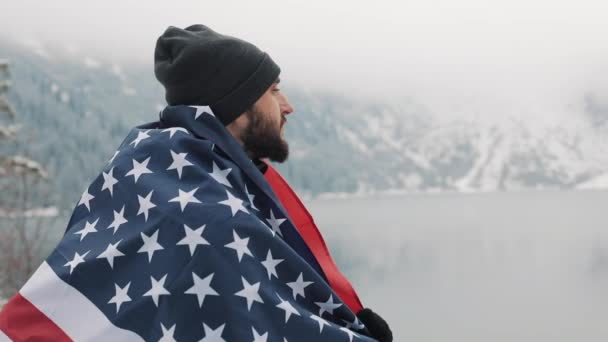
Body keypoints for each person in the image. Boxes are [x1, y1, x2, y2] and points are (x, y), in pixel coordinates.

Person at [0, 24, 392, 341]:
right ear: (236, 105)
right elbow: (257, 320)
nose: (288, 105)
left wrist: (344, 318)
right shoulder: (206, 214)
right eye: (273, 91)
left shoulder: (159, 168)